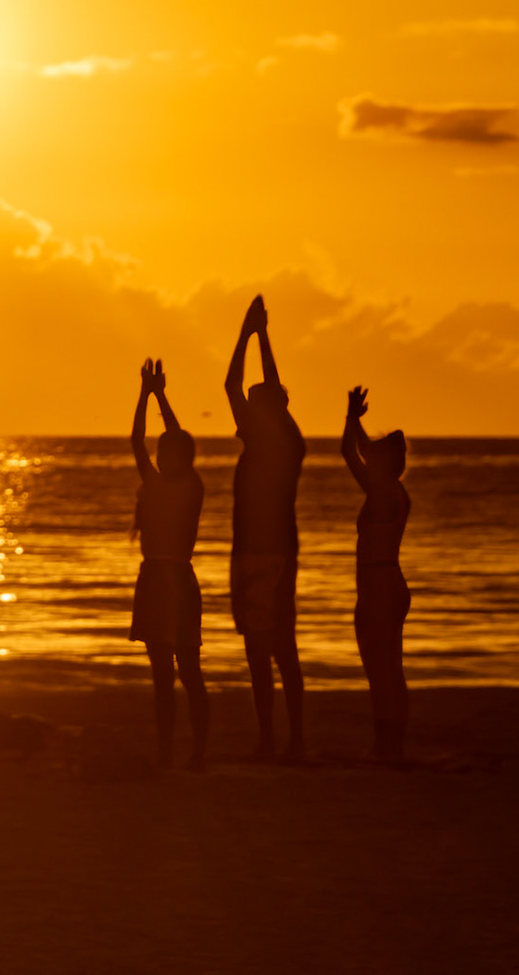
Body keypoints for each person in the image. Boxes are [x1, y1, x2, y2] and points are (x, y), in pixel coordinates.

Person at [224, 295, 307, 761]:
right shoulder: (286, 444)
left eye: (251, 410)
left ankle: (283, 740)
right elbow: (267, 390)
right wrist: (262, 335)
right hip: (263, 556)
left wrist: (248, 332)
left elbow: (234, 386)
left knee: (271, 651)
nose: (242, 416)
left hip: (266, 557)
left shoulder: (275, 445)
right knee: (271, 649)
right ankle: (279, 740)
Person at [130, 358, 209, 769]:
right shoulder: (154, 487)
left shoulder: (190, 487)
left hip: (177, 578)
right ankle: (166, 751)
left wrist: (159, 394)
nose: (161, 456)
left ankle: (197, 750)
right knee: (162, 675)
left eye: (170, 452)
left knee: (189, 670)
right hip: (153, 579)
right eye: (161, 452)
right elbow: (137, 441)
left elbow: (167, 436)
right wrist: (145, 394)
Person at [343, 384, 412, 764]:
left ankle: (388, 746)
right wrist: (356, 420)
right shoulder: (392, 488)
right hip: (384, 583)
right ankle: (389, 744)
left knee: (381, 668)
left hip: (380, 586)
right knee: (386, 668)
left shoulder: (382, 491)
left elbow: (348, 454)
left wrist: (350, 418)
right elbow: (363, 450)